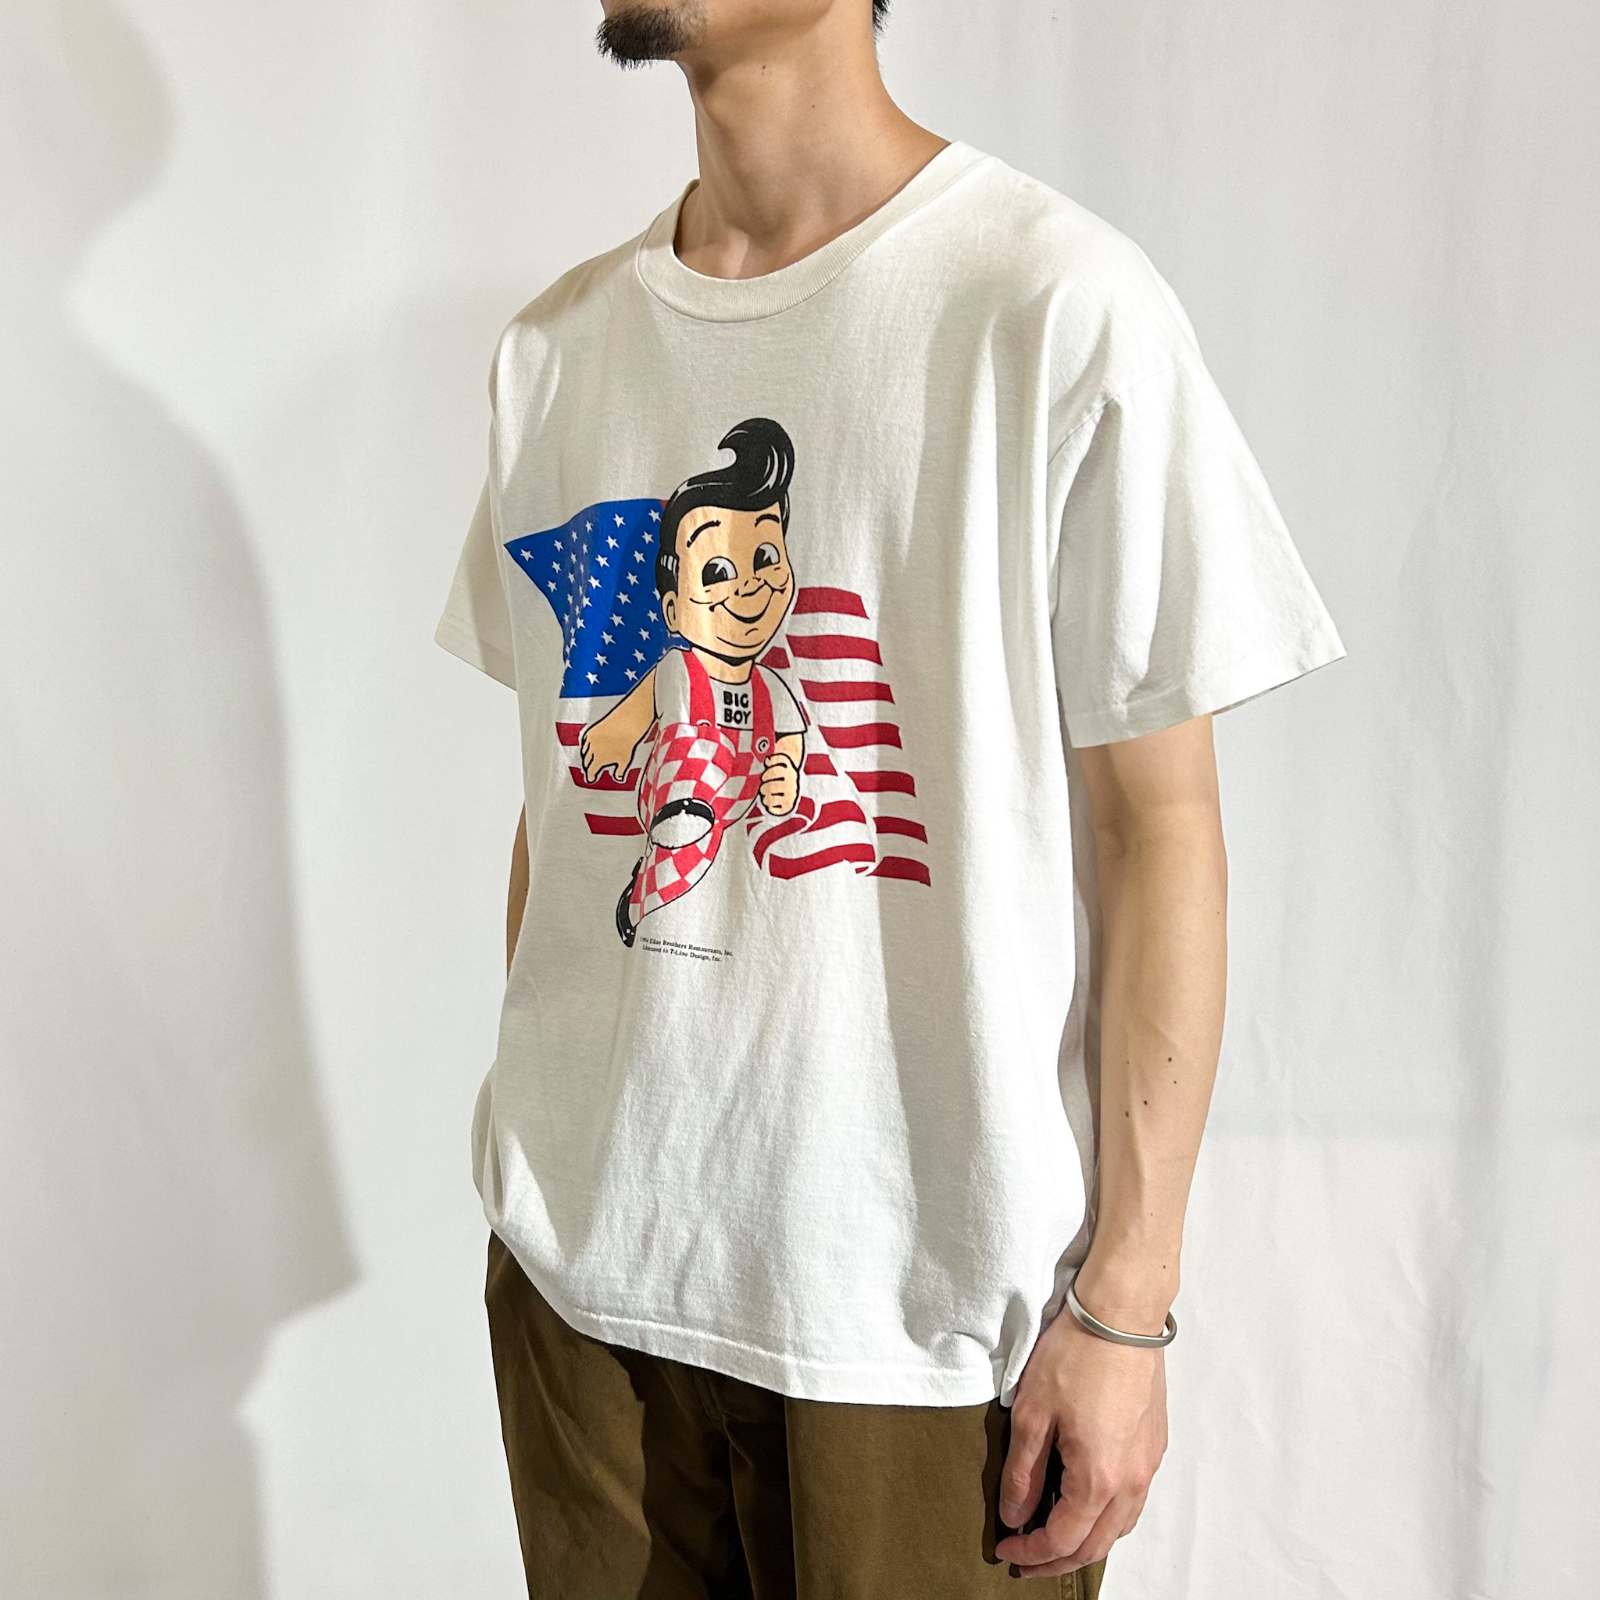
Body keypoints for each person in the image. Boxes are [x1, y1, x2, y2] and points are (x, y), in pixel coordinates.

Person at [432, 1, 1348, 1593]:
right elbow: (564, 794)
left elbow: (1159, 829)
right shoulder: (558, 349)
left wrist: (1127, 1301)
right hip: (586, 1292)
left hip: (920, 1319)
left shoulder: (1050, 305)